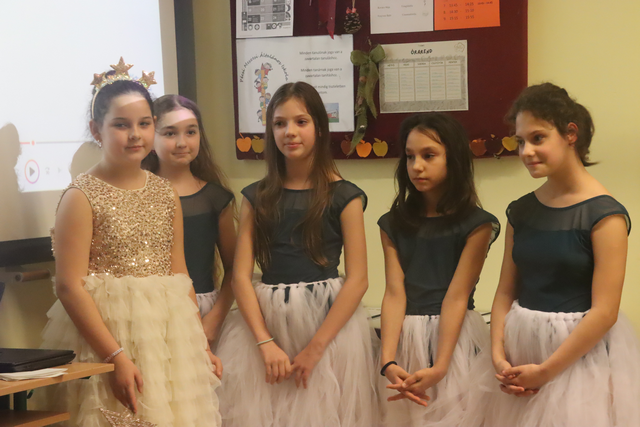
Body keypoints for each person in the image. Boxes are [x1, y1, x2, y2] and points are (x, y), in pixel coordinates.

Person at [40, 59, 221, 426]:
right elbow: (69, 286)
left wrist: (200, 346)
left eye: (144, 123)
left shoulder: (164, 193)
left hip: (167, 340)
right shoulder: (81, 196)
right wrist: (115, 357)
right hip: (108, 340)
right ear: (97, 129)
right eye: (121, 125)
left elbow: (179, 273)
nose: (135, 135)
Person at [216, 81, 378, 427]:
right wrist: (265, 342)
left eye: (300, 121)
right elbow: (240, 277)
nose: (289, 132)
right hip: (264, 324)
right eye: (279, 123)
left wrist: (315, 348)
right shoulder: (256, 196)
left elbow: (359, 280)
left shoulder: (345, 196)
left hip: (326, 326)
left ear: (319, 127)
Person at [487, 82, 640, 427]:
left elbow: (605, 312)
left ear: (570, 134)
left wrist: (545, 372)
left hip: (576, 359)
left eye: (537, 138)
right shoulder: (521, 211)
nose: (526, 151)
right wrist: (498, 355)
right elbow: (505, 292)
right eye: (520, 141)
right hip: (520, 351)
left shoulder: (605, 216)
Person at [378, 113, 499, 426]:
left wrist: (441, 366)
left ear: (453, 158)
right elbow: (394, 293)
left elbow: (456, 296)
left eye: (429, 155)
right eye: (410, 157)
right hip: (405, 337)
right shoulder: (392, 223)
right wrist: (387, 359)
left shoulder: (476, 224)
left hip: (454, 341)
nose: (417, 166)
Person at [143, 94, 236, 347]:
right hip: (149, 314)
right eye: (170, 133)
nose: (182, 142)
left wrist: (215, 318)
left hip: (204, 314)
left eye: (191, 132)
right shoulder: (137, 195)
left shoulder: (215, 198)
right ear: (151, 138)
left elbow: (234, 268)